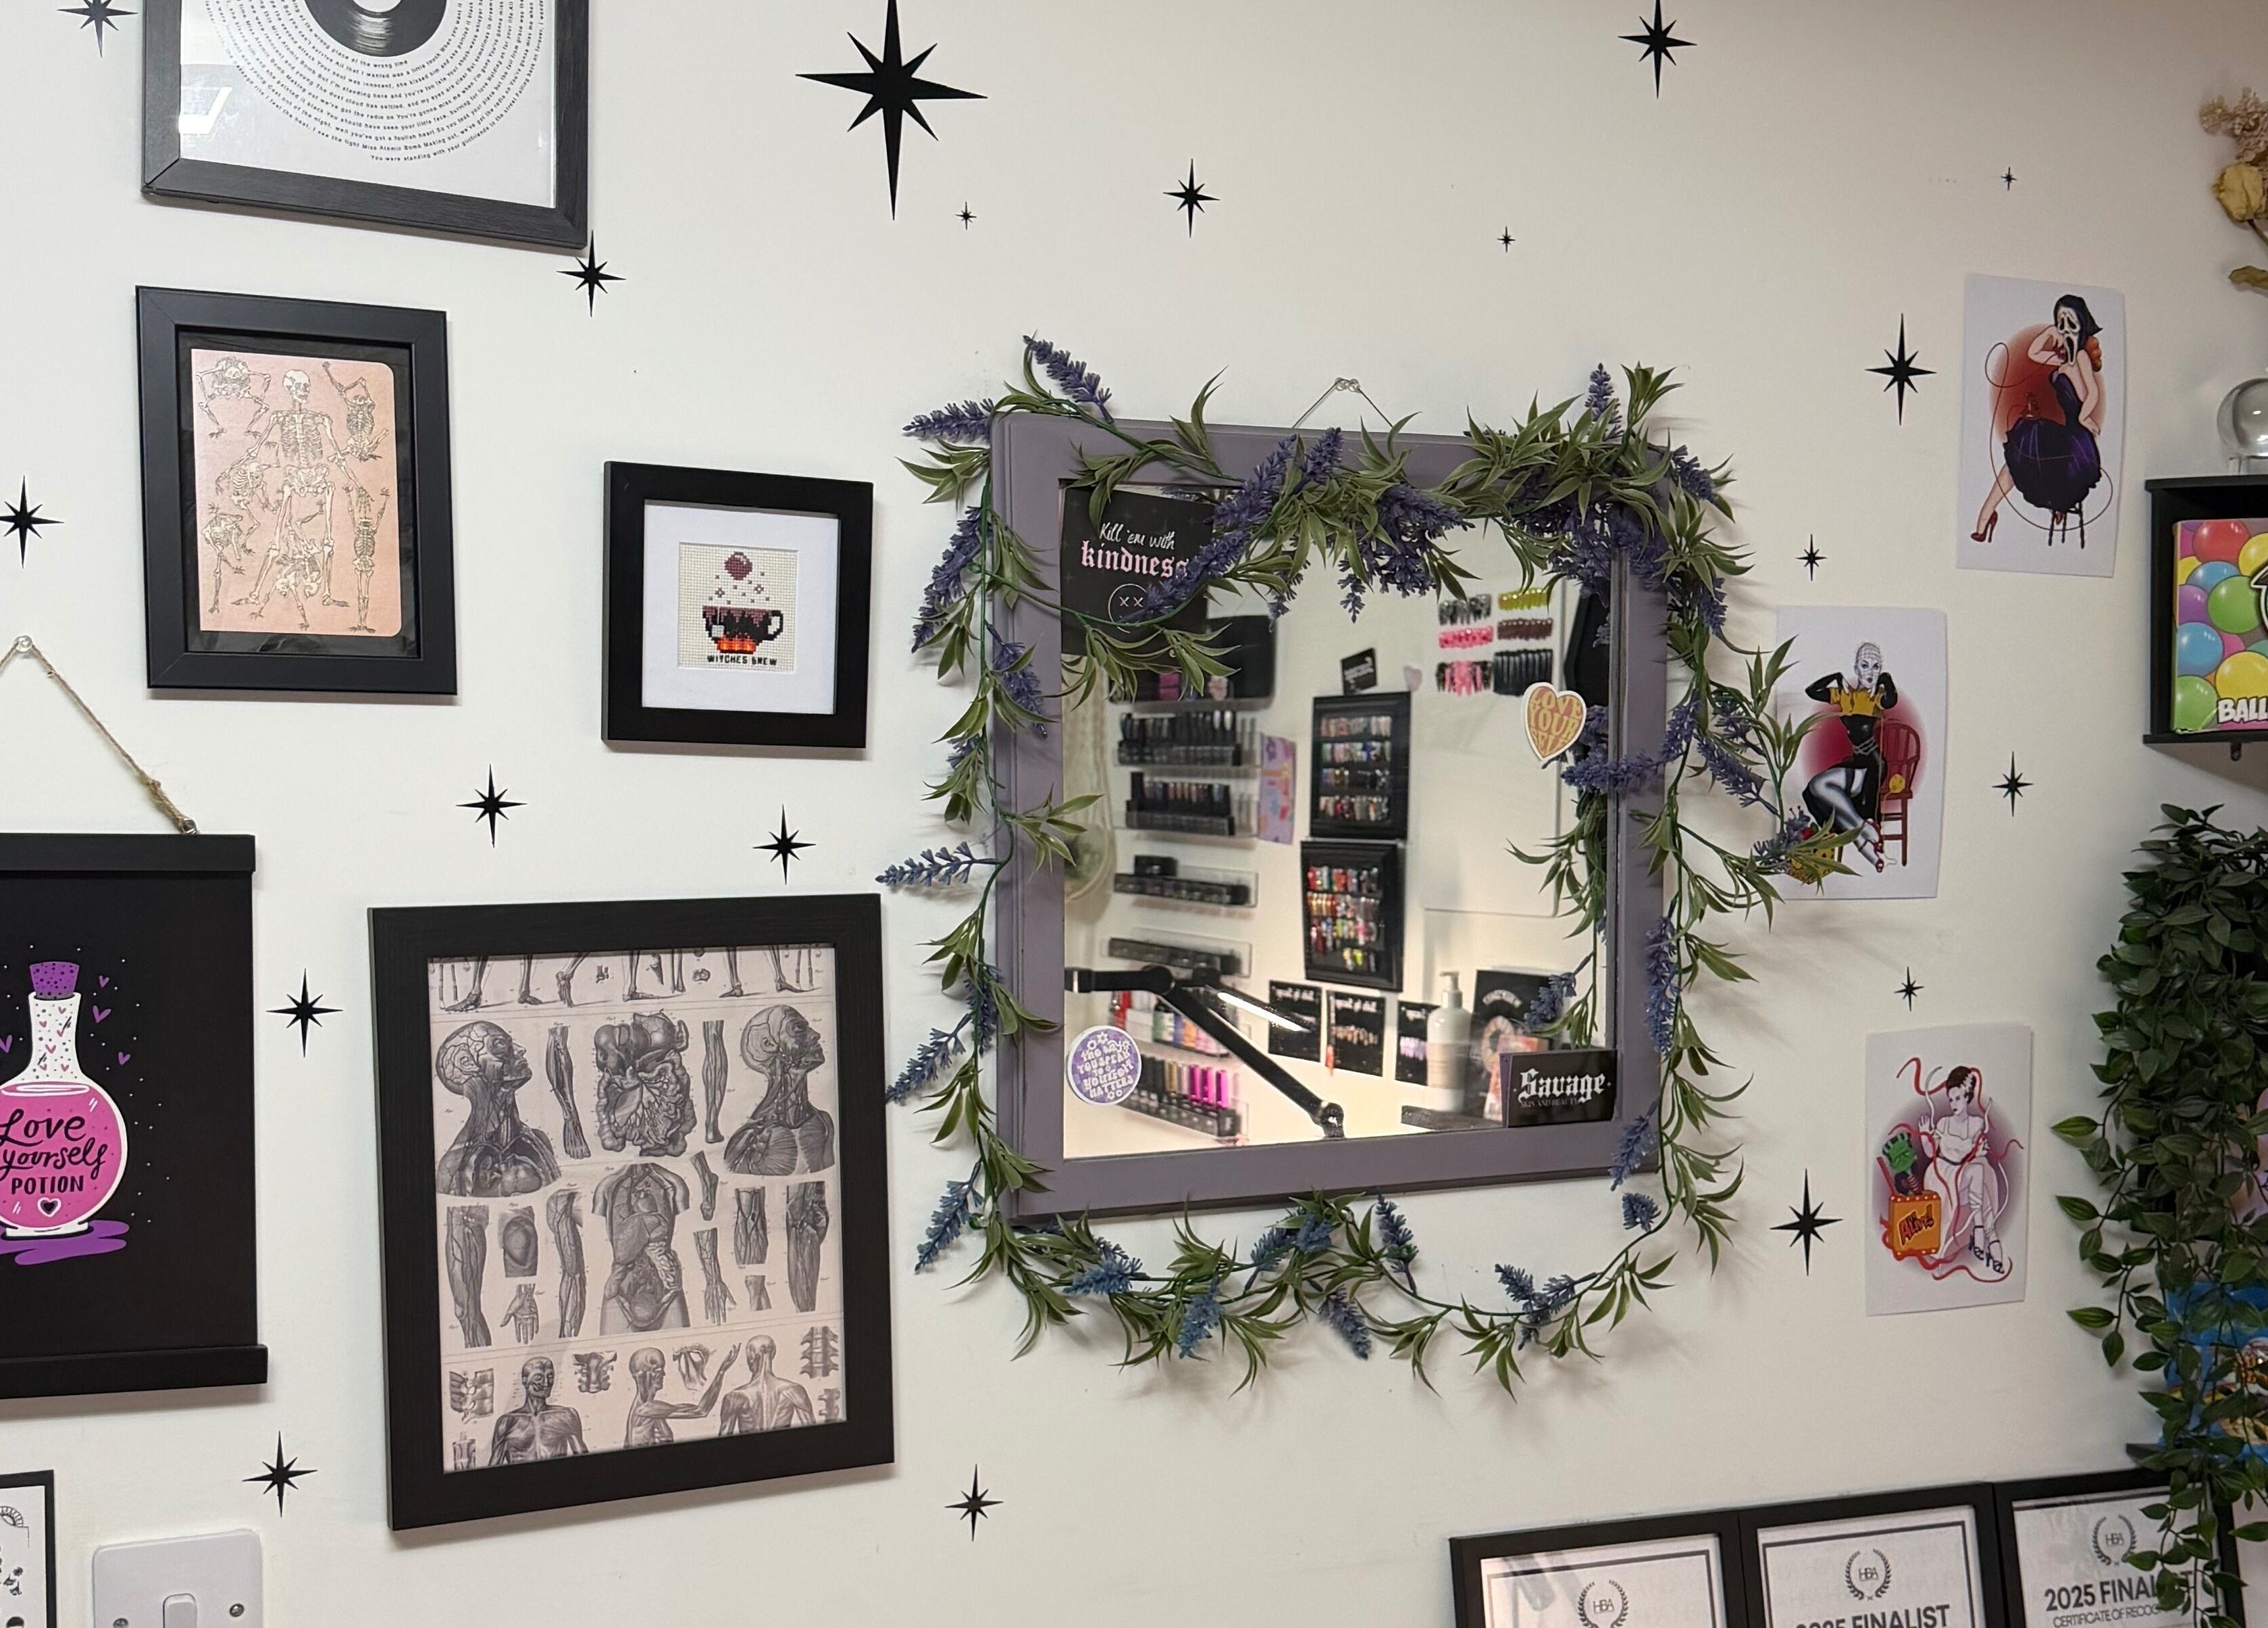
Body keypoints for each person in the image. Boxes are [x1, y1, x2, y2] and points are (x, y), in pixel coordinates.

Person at [1971, 295, 2108, 546]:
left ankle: (1992, 514)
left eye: (2070, 320)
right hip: (2066, 435)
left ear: (2082, 322)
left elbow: (2093, 394)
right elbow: (2034, 352)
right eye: (2060, 320)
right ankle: (1986, 515)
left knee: (2028, 444)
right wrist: (2051, 331)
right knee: (2022, 449)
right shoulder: (2063, 359)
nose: (2065, 326)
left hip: (2078, 443)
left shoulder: (2080, 357)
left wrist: (2084, 416)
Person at [1801, 642, 1899, 873]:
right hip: (1857, 764)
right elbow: (1811, 691)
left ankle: (1863, 830)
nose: (1870, 672)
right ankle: (1871, 850)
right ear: (1856, 668)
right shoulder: (1846, 696)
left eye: (1876, 667)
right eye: (1865, 666)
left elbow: (1891, 701)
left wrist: (1886, 678)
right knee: (1816, 789)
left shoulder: (1877, 697)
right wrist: (1835, 677)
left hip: (1872, 766)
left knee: (1820, 786)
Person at [1919, 1066, 2007, 1276]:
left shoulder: (1977, 1124)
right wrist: (1924, 1135)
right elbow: (1931, 1153)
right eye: (1951, 1100)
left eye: (1958, 1098)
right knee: (1977, 1174)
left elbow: (1973, 1156)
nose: (1954, 1104)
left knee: (1979, 1176)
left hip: (1963, 1174)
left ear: (1967, 1096)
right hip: (1941, 1174)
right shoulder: (1944, 1123)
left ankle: (1987, 1235)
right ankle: (1982, 1232)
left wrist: (1978, 1153)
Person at [487, 1358, 588, 1464]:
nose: (546, 1383)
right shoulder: (507, 1422)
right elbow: (494, 1466)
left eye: (550, 1377)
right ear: (525, 1381)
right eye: (539, 1378)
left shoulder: (566, 1416)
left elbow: (584, 1461)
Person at [717, 1336, 816, 1434]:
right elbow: (814, 1433)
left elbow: (724, 1439)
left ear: (751, 1357)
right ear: (773, 1354)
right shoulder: (794, 1390)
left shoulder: (735, 1396)